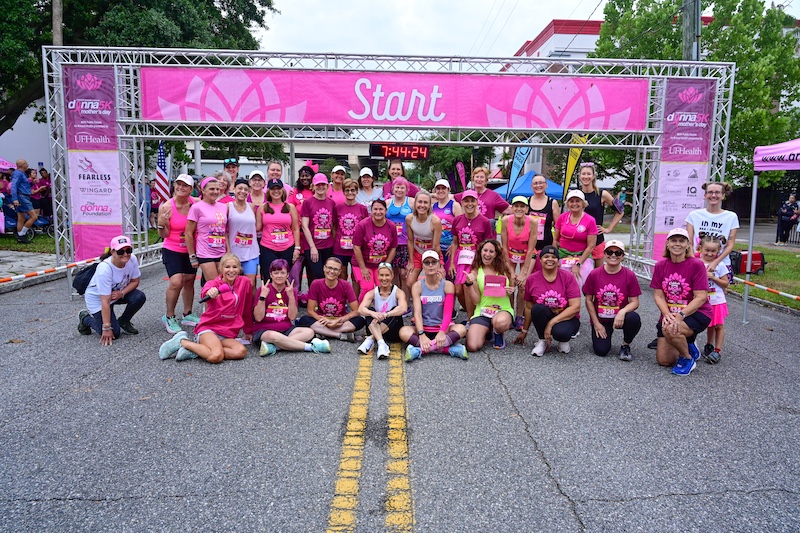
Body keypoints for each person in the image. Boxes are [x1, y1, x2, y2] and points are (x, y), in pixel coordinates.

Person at [159, 253, 253, 364]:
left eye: (235, 267)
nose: (231, 270)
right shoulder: (213, 284)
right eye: (227, 267)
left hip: (228, 332)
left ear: (239, 269)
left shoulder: (244, 282)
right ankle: (182, 342)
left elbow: (247, 308)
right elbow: (206, 291)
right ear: (221, 269)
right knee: (216, 356)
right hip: (210, 329)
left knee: (240, 351)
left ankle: (197, 350)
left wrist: (248, 330)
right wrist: (210, 292)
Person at [650, 228, 712, 375]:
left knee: (670, 329)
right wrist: (666, 314)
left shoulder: (696, 265)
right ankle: (688, 343)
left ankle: (687, 358)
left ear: (688, 245)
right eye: (673, 240)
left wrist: (680, 315)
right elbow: (658, 295)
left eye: (681, 241)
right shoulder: (660, 266)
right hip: (671, 315)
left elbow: (701, 297)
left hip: (697, 313)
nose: (677, 244)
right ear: (667, 244)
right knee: (664, 360)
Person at [252, 259, 331, 356]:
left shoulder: (291, 290)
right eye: (276, 273)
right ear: (271, 275)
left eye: (282, 273)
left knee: (309, 332)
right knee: (273, 335)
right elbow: (258, 318)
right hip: (265, 330)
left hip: (286, 329)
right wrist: (262, 297)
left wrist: (291, 297)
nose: (279, 276)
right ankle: (310, 347)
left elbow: (292, 317)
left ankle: (276, 347)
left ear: (287, 275)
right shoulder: (263, 289)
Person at [399, 251, 468, 361]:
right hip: (424, 327)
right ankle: (446, 349)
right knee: (403, 332)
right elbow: (417, 313)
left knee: (462, 329)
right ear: (422, 266)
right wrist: (421, 334)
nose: (430, 265)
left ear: (439, 265)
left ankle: (419, 350)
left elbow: (448, 313)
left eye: (433, 262)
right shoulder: (417, 286)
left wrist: (442, 332)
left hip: (443, 328)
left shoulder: (448, 285)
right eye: (427, 263)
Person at [513, 245, 581, 356]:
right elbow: (529, 308)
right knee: (537, 308)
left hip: (566, 317)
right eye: (546, 256)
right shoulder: (532, 279)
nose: (550, 259)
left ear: (558, 261)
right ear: (540, 260)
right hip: (545, 314)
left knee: (561, 333)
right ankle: (542, 340)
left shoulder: (568, 277)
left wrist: (551, 324)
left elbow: (576, 306)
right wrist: (524, 332)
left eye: (554, 257)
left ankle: (563, 340)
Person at [78, 235, 146, 346]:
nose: (125, 254)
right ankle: (85, 318)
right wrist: (106, 327)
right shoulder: (105, 268)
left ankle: (123, 321)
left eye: (128, 250)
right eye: (121, 252)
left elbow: (135, 281)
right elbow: (105, 301)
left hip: (116, 294)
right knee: (113, 333)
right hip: (98, 300)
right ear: (113, 252)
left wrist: (122, 293)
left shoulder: (132, 259)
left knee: (139, 297)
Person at [582, 240, 642, 361]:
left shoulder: (629, 275)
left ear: (623, 256)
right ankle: (604, 331)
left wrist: (622, 312)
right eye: (610, 252)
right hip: (601, 318)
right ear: (604, 254)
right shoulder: (594, 274)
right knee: (601, 351)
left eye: (618, 253)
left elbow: (635, 302)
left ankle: (626, 345)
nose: (613, 255)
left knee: (634, 318)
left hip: (620, 317)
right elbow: (588, 300)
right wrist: (596, 323)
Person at [157, 174, 199, 333]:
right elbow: (164, 235)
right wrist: (161, 224)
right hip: (172, 248)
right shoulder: (166, 207)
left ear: (191, 189)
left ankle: (187, 313)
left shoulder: (196, 204)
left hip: (190, 248)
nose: (181, 188)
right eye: (178, 184)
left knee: (189, 280)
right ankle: (169, 316)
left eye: (185, 185)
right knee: (176, 282)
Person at [449, 190, 495, 318]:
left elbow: (488, 244)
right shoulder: (457, 220)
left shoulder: (484, 221)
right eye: (466, 201)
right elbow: (455, 242)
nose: (469, 204)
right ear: (462, 203)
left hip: (476, 258)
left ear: (477, 202)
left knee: (467, 287)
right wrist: (452, 263)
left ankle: (471, 318)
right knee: (458, 290)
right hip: (460, 258)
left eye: (472, 201)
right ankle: (473, 311)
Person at [296, 257, 366, 341]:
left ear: (340, 272)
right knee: (304, 320)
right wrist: (324, 321)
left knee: (360, 320)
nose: (332, 271)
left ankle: (323, 333)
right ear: (324, 268)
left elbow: (356, 311)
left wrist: (340, 320)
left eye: (336, 269)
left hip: (340, 321)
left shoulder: (346, 285)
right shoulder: (316, 284)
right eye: (329, 268)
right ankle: (339, 335)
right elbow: (310, 311)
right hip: (322, 320)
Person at [464, 239, 515, 351]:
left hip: (502, 309)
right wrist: (469, 284)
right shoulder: (476, 272)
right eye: (485, 250)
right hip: (483, 311)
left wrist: (511, 290)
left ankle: (497, 332)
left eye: (491, 251)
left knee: (499, 323)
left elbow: (512, 290)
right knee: (472, 346)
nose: (487, 254)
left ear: (496, 254)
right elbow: (476, 301)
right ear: (480, 252)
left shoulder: (505, 269)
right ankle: (488, 331)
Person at [685, 181, 739, 280]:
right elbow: (689, 242)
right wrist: (694, 261)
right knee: (694, 293)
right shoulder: (694, 215)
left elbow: (730, 244)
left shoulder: (731, 217)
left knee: (718, 293)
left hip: (721, 264)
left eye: (717, 192)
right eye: (710, 192)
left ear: (723, 196)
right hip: (697, 262)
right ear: (705, 195)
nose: (713, 195)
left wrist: (715, 262)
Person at [501, 196, 539, 329]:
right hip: (510, 254)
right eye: (516, 206)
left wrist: (523, 273)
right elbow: (504, 248)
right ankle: (510, 313)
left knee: (522, 285)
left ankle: (519, 316)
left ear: (527, 209)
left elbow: (530, 250)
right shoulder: (505, 220)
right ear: (511, 208)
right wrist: (511, 272)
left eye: (522, 206)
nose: (519, 209)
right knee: (510, 282)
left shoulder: (533, 222)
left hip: (526, 254)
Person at [357, 263, 408, 359]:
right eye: (382, 275)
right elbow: (361, 309)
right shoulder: (372, 292)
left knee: (395, 311)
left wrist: (386, 314)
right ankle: (381, 344)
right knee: (370, 310)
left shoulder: (398, 292)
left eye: (387, 275)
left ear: (392, 276)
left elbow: (403, 308)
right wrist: (373, 313)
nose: (384, 278)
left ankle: (371, 339)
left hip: (392, 330)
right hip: (376, 326)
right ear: (377, 276)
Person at [256, 177, 301, 284]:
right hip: (268, 248)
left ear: (282, 190)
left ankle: (286, 300)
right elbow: (257, 228)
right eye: (273, 189)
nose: (276, 191)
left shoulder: (290, 207)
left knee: (286, 279)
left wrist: (297, 249)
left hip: (287, 248)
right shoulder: (263, 208)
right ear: (268, 191)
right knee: (269, 278)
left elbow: (295, 228)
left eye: (278, 188)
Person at [578, 163, 624, 266]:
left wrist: (609, 229)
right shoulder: (576, 194)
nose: (586, 177)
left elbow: (620, 210)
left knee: (597, 274)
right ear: (579, 176)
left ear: (593, 176)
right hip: (579, 240)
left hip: (596, 240)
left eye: (589, 174)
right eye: (583, 174)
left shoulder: (602, 194)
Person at [352, 199, 398, 299]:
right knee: (367, 287)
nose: (378, 212)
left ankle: (380, 310)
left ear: (386, 211)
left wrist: (386, 265)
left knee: (382, 287)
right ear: (371, 210)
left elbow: (393, 247)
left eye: (381, 209)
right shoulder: (362, 225)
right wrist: (363, 268)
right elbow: (356, 247)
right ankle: (361, 310)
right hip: (363, 263)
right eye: (375, 209)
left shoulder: (391, 226)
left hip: (380, 264)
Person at [185, 176, 228, 283]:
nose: (215, 192)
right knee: (214, 284)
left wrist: (228, 251)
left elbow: (225, 231)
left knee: (223, 284)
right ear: (203, 190)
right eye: (211, 189)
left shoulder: (223, 207)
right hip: (205, 252)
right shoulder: (197, 207)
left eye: (217, 189)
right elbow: (188, 233)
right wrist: (192, 256)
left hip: (221, 251)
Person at [553, 189, 597, 287]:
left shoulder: (590, 220)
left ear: (583, 203)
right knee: (561, 284)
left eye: (578, 201)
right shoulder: (562, 217)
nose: (574, 204)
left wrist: (578, 264)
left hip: (582, 256)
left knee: (587, 280)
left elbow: (591, 246)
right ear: (567, 204)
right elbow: (555, 240)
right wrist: (555, 258)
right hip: (563, 254)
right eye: (571, 201)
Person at [698, 234, 729, 364]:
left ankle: (717, 350)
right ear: (700, 248)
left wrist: (713, 277)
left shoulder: (720, 265)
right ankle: (708, 345)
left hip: (717, 300)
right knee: (709, 325)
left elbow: (725, 284)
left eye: (713, 251)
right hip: (703, 300)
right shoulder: (697, 263)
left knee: (718, 325)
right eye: (707, 250)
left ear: (718, 251)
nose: (710, 254)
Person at [300, 173, 337, 283]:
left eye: (323, 185)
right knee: (317, 274)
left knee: (329, 275)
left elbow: (333, 225)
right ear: (313, 186)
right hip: (312, 245)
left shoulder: (331, 203)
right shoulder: (308, 203)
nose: (321, 187)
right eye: (318, 185)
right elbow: (304, 226)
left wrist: (334, 242)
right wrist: (312, 247)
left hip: (328, 245)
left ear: (327, 186)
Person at [333, 178, 369, 286]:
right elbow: (334, 227)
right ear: (343, 192)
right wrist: (337, 240)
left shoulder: (362, 209)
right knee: (341, 274)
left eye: (353, 190)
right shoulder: (338, 208)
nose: (350, 193)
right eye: (347, 190)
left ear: (357, 191)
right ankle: (342, 300)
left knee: (355, 275)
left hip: (356, 249)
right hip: (340, 248)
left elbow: (365, 229)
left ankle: (355, 300)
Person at [405, 189, 442, 289]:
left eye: (425, 202)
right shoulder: (409, 219)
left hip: (432, 253)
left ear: (430, 205)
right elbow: (410, 241)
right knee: (409, 282)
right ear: (415, 203)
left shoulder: (435, 221)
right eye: (420, 202)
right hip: (417, 253)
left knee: (437, 281)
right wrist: (411, 262)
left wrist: (437, 264)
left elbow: (436, 246)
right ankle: (418, 301)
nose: (422, 205)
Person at [227, 178, 261, 287]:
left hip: (251, 251)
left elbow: (257, 226)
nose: (243, 191)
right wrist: (227, 249)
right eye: (240, 188)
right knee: (233, 283)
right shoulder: (228, 206)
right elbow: (224, 230)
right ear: (234, 189)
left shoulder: (251, 206)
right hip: (234, 251)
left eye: (246, 189)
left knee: (250, 284)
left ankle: (250, 304)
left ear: (249, 191)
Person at [386, 177, 415, 297]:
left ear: (407, 189)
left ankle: (407, 303)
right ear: (392, 188)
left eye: (402, 187)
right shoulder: (387, 202)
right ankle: (396, 299)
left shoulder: (412, 202)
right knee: (393, 273)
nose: (399, 190)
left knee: (405, 274)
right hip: (391, 243)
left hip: (406, 243)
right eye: (397, 187)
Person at [288, 164, 315, 290]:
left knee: (312, 269)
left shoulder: (316, 191)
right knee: (296, 269)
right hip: (298, 235)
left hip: (312, 236)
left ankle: (311, 295)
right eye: (302, 176)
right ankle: (295, 294)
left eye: (307, 175)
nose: (304, 178)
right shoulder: (294, 192)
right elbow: (289, 210)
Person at [431, 178, 462, 274]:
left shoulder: (454, 205)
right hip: (438, 247)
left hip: (450, 247)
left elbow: (461, 226)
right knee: (438, 274)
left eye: (443, 188)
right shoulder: (433, 206)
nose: (440, 191)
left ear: (448, 190)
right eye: (438, 188)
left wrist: (454, 244)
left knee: (451, 274)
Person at [528, 174, 561, 252]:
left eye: (541, 183)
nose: (538, 185)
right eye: (535, 183)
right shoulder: (526, 201)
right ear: (531, 186)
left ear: (546, 185)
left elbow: (558, 226)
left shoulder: (552, 202)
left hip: (547, 244)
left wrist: (555, 242)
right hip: (529, 245)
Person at [10, 159, 36, 243]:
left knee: (21, 218)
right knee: (34, 216)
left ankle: (20, 237)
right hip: (22, 197)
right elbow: (14, 186)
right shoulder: (18, 173)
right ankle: (22, 235)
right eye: (26, 164)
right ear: (22, 165)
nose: (27, 165)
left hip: (23, 196)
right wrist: (15, 199)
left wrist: (32, 183)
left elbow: (24, 185)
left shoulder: (22, 174)